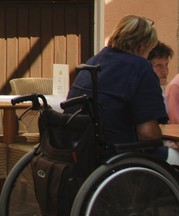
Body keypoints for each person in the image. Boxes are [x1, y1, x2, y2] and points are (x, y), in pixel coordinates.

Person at [67, 15, 168, 149]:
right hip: (118, 150)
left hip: (78, 146)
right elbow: (148, 133)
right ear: (144, 46)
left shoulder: (95, 60)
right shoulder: (140, 68)